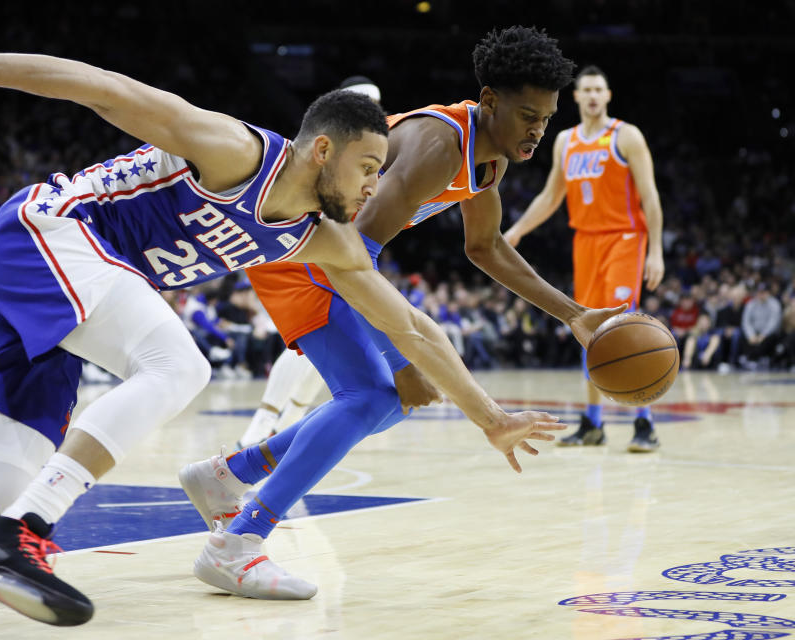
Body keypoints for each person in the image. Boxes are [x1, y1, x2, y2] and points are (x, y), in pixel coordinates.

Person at [0, 36, 567, 626]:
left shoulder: (323, 240)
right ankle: (20, 536)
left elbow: (412, 327)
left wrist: (490, 417)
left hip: (65, 289)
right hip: (46, 233)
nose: (377, 187)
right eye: (369, 167)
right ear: (323, 151)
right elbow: (102, 85)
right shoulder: (237, 153)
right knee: (179, 364)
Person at [180, 26, 624, 600]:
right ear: (489, 100)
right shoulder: (439, 147)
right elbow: (349, 248)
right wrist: (405, 349)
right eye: (525, 114)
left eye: (545, 117)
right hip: (303, 247)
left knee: (395, 400)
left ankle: (227, 475)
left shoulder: (486, 161)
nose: (537, 130)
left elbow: (485, 247)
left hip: (327, 252)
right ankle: (238, 541)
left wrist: (575, 315)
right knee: (373, 396)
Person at [503, 65, 666, 452]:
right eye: (586, 90)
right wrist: (518, 230)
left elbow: (650, 196)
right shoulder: (565, 141)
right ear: (575, 97)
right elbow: (550, 196)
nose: (593, 95)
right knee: (589, 330)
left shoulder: (626, 136)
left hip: (625, 238)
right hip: (586, 242)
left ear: (608, 95)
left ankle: (645, 423)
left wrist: (655, 250)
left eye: (599, 89)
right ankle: (592, 423)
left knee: (622, 329)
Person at [237, 75, 383, 448]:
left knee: (332, 338)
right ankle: (264, 423)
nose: (373, 112)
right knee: (311, 334)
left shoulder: (372, 155)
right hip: (291, 243)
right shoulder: (323, 148)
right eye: (365, 102)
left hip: (327, 247)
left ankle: (287, 423)